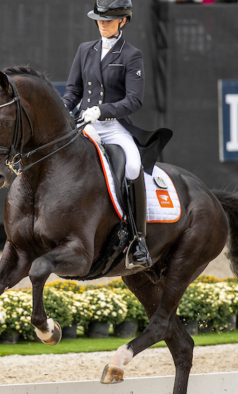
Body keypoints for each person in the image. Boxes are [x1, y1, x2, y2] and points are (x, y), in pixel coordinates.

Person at [62, 0, 151, 268]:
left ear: (123, 21)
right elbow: (73, 92)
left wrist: (101, 111)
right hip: (84, 124)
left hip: (112, 126)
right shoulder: (85, 50)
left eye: (108, 20)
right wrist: (64, 110)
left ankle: (138, 239)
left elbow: (134, 100)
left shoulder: (131, 55)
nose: (102, 24)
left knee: (133, 166)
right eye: (99, 20)